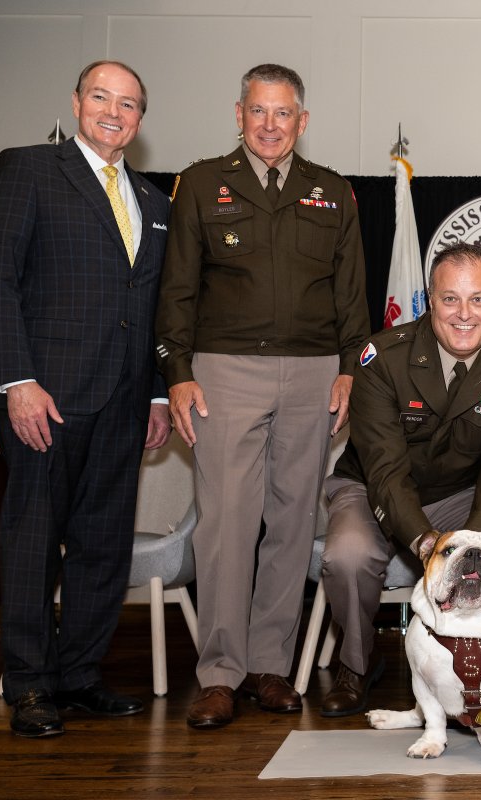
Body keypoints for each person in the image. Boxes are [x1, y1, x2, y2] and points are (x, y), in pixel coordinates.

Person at [156, 63, 369, 730]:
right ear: (239, 114)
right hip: (224, 372)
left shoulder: (332, 192)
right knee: (225, 524)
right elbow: (177, 290)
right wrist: (178, 373)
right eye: (259, 111)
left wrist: (350, 371)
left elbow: (351, 296)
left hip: (312, 373)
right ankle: (219, 672)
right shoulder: (200, 184)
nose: (270, 125)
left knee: (291, 519)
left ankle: (269, 666)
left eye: (284, 114)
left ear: (302, 122)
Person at [0, 60, 171, 738]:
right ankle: (28, 684)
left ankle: (80, 675)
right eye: (101, 97)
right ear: (77, 102)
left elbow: (147, 306)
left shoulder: (153, 198)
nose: (115, 112)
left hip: (122, 400)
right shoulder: (27, 169)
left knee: (102, 545)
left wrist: (154, 395)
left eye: (130, 104)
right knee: (32, 540)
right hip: (44, 398)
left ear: (141, 118)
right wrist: (16, 382)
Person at [319, 242, 481, 717]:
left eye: (478, 300)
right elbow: (384, 469)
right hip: (368, 488)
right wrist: (427, 543)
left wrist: (474, 543)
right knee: (348, 556)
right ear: (429, 300)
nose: (465, 314)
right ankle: (357, 664)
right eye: (450, 299)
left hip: (458, 494)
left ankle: (480, 668)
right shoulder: (382, 357)